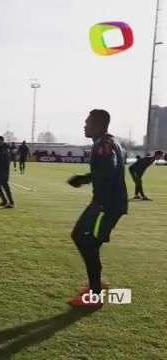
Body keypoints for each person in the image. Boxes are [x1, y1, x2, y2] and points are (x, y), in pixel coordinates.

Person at [67, 109, 127, 308]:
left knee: (84, 240)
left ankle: (95, 295)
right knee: (86, 240)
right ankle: (96, 285)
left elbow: (108, 170)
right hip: (106, 202)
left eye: (88, 122)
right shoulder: (112, 142)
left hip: (106, 204)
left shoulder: (104, 144)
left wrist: (84, 178)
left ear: (99, 125)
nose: (84, 126)